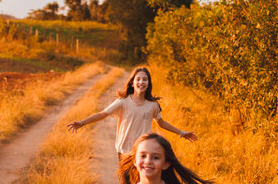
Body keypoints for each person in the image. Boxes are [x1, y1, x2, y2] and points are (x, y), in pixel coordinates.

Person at [66, 66, 196, 164]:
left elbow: (161, 123)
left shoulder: (152, 105)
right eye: (138, 79)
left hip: (143, 151)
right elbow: (102, 114)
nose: (141, 82)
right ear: (132, 83)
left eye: (145, 79)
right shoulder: (123, 102)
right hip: (124, 150)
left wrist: (181, 133)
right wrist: (82, 123)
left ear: (148, 84)